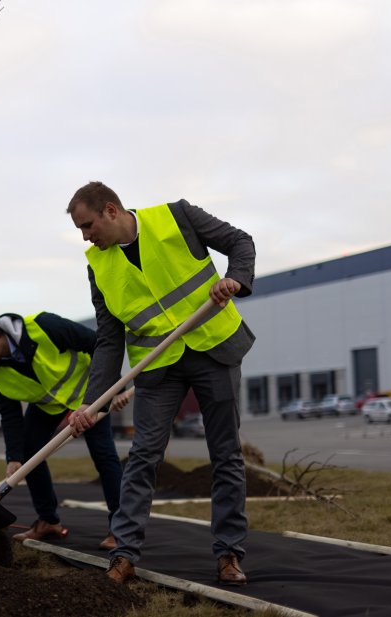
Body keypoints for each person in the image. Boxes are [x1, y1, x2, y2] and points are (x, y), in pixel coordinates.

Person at [65, 181, 255, 586]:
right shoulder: (98, 265)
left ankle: (229, 554)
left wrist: (234, 280)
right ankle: (124, 554)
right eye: (80, 230)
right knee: (143, 456)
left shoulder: (177, 217)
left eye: (87, 225)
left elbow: (240, 242)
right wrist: (92, 404)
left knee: (226, 455)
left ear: (111, 210)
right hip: (159, 367)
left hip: (212, 348)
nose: (85, 236)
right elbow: (109, 339)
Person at [0, 311, 129, 550]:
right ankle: (48, 521)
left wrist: (115, 385)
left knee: (104, 455)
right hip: (49, 405)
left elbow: (98, 344)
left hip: (89, 396)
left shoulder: (44, 326)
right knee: (29, 452)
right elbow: (10, 415)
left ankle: (121, 529)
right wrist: (14, 458)